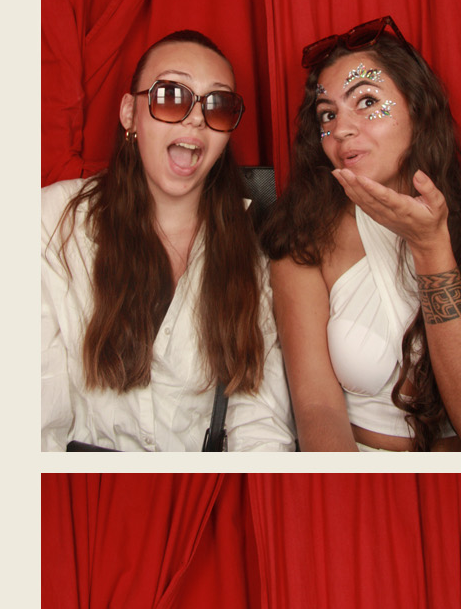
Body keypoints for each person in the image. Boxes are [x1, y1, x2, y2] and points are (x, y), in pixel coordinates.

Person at [41, 29, 294, 452]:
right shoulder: (53, 220)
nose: (196, 118)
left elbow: (260, 419)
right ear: (129, 113)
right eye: (172, 96)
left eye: (218, 104)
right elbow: (36, 414)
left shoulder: (257, 245)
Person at [262, 16, 461, 451]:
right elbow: (317, 409)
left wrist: (430, 247)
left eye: (366, 101)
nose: (341, 129)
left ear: (417, 108)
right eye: (328, 114)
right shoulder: (302, 240)